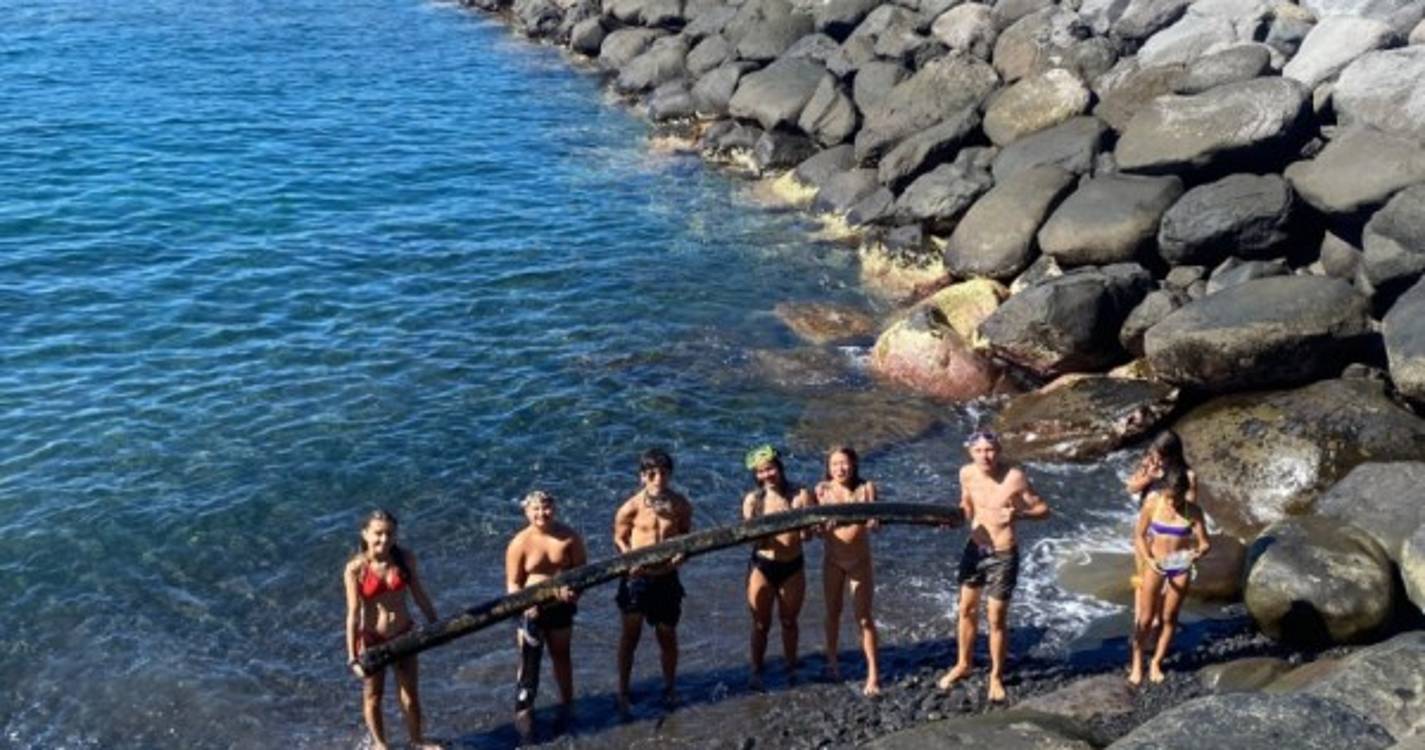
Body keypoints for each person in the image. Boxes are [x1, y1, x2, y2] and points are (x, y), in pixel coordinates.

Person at [936, 430, 1050, 702]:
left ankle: (996, 676)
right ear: (970, 452)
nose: (984, 456)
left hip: (1003, 553)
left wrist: (1019, 513)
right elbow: (967, 503)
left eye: (989, 450)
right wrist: (955, 517)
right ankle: (963, 664)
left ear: (998, 451)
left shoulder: (1015, 477)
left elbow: (1044, 510)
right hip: (975, 548)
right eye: (978, 450)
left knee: (996, 617)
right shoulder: (966, 473)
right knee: (966, 609)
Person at [343, 509, 440, 750]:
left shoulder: (404, 559)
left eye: (389, 533)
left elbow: (419, 594)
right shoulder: (356, 569)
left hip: (404, 633)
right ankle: (380, 744)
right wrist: (352, 656)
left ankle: (417, 741)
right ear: (365, 534)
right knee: (373, 696)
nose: (384, 539)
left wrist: (435, 622)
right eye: (378, 533)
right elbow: (353, 614)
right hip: (373, 639)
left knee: (410, 694)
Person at [612, 448, 693, 713]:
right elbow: (619, 538)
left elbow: (686, 535)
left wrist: (682, 554)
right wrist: (629, 559)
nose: (658, 479)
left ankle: (670, 687)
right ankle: (623, 690)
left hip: (666, 577)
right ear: (642, 477)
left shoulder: (679, 504)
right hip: (637, 579)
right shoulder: (631, 507)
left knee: (667, 635)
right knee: (630, 637)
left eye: (664, 473)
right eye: (652, 474)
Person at [505, 490, 587, 742]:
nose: (542, 513)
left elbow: (582, 574)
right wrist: (524, 605)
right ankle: (524, 712)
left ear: (554, 508)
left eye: (546, 508)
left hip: (560, 607)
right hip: (530, 611)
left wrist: (574, 593)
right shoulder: (519, 542)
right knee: (528, 662)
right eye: (536, 509)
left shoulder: (569, 537)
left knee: (562, 656)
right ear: (526, 512)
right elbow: (513, 583)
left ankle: (567, 704)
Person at [743, 444, 816, 690]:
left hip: (792, 565)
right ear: (756, 475)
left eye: (770, 468)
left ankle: (792, 667)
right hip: (762, 565)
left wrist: (806, 532)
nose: (767, 475)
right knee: (760, 624)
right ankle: (756, 670)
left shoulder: (800, 494)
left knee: (789, 621)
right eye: (761, 471)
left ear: (780, 467)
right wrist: (759, 536)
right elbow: (749, 538)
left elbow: (809, 535)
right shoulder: (753, 500)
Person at [1129, 466, 1210, 685]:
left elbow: (1205, 543)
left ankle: (1156, 662)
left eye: (1177, 498)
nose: (1172, 503)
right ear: (1163, 491)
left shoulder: (1193, 512)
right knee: (1145, 619)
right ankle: (1137, 662)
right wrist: (1148, 559)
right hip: (1155, 564)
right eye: (1168, 497)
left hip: (1180, 565)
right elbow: (1139, 535)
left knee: (1169, 617)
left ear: (1185, 492)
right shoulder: (1153, 504)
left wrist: (1197, 553)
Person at [815, 446, 882, 696]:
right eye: (834, 464)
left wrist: (874, 522)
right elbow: (816, 532)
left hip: (859, 561)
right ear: (828, 467)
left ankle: (873, 673)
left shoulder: (866, 489)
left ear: (853, 464)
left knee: (864, 617)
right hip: (832, 560)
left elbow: (877, 525)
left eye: (844, 463)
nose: (840, 469)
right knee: (832, 612)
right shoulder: (822, 490)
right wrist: (822, 527)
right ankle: (832, 663)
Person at [1125, 430, 1197, 615]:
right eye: (1155, 454)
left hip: (1168, 534)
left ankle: (1158, 619)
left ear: (1173, 455)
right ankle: (1140, 622)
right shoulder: (1150, 464)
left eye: (1162, 456)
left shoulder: (1187, 476)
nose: (1158, 460)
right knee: (1142, 577)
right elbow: (1131, 488)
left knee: (1165, 582)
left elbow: (1189, 510)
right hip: (1145, 531)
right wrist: (1149, 477)